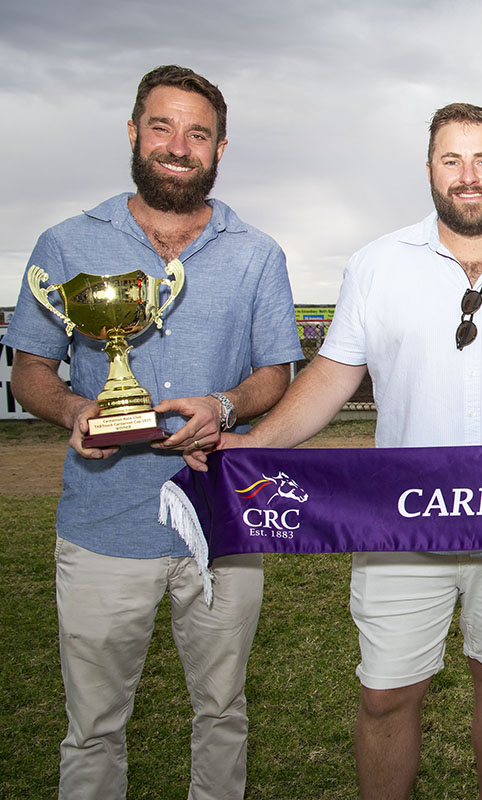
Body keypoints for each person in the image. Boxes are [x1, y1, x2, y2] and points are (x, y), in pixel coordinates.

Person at [186, 102, 482, 800]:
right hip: (399, 524)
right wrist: (252, 444)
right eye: (452, 160)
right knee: (387, 693)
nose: (468, 176)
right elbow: (331, 374)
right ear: (429, 171)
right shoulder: (377, 264)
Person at [2, 65, 303, 799]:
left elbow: (277, 376)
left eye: (197, 132)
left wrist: (226, 407)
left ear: (219, 149)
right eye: (162, 126)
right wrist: (78, 412)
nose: (178, 145)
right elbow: (30, 371)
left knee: (223, 714)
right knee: (94, 727)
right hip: (103, 525)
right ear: (134, 133)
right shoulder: (68, 243)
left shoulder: (257, 253)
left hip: (219, 525)